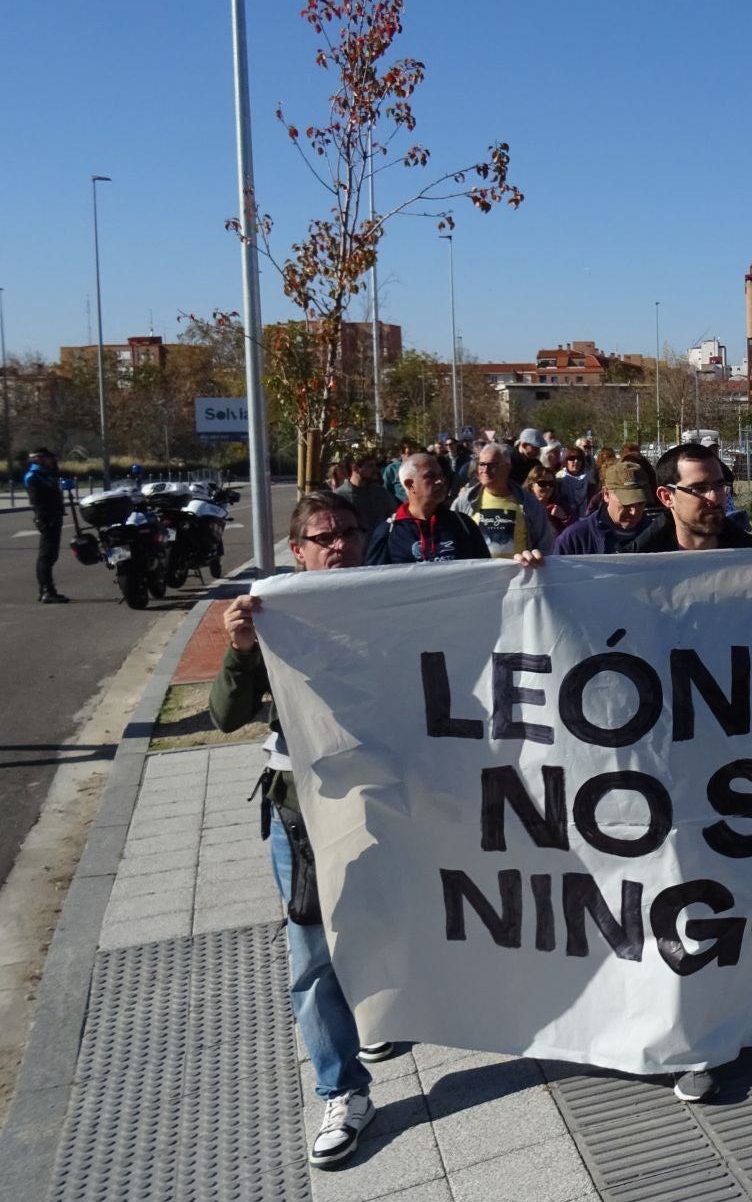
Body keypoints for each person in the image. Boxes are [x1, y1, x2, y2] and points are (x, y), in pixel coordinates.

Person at [211, 491, 388, 1168]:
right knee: (312, 950)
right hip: (304, 807)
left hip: (392, 798)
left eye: (348, 530)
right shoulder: (271, 613)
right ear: (298, 550)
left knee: (408, 921)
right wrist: (239, 650)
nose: (338, 544)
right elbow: (226, 715)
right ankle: (342, 1089)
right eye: (322, 536)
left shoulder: (396, 596)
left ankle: (387, 1017)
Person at [634, 444, 752, 552]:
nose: (713, 498)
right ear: (667, 497)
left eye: (719, 486)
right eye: (700, 489)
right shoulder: (637, 563)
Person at [365, 453, 490, 564]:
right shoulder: (389, 533)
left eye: (441, 475)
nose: (440, 481)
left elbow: (486, 573)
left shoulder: (463, 524)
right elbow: (375, 583)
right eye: (431, 476)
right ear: (410, 485)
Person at [451, 443, 557, 560]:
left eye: (492, 465)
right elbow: (451, 542)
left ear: (508, 467)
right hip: (479, 576)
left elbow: (546, 546)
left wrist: (537, 561)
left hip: (519, 576)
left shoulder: (530, 504)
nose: (485, 470)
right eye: (481, 464)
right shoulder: (464, 502)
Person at [554, 460, 656, 554]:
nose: (634, 512)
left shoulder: (658, 535)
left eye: (641, 503)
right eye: (627, 504)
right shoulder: (574, 539)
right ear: (606, 494)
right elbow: (556, 571)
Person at [25, 446, 69, 603]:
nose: (53, 461)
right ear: (40, 459)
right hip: (47, 518)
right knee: (46, 556)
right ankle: (47, 591)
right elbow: (37, 500)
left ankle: (44, 589)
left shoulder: (46, 474)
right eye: (49, 458)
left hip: (53, 517)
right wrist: (44, 518)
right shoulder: (34, 476)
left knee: (51, 556)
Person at [334, 451, 398, 533]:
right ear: (355, 468)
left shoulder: (382, 494)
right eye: (370, 466)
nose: (375, 469)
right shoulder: (339, 497)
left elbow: (394, 519)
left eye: (375, 465)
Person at [527, 468, 573, 537]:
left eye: (551, 484)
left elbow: (575, 531)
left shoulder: (562, 505)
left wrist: (564, 518)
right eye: (542, 483)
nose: (548, 487)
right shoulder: (523, 506)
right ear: (531, 485)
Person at [555, 445, 594, 518]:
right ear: (566, 461)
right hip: (564, 519)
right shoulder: (559, 478)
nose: (576, 461)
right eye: (572, 458)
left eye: (579, 459)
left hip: (585, 518)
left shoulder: (589, 479)